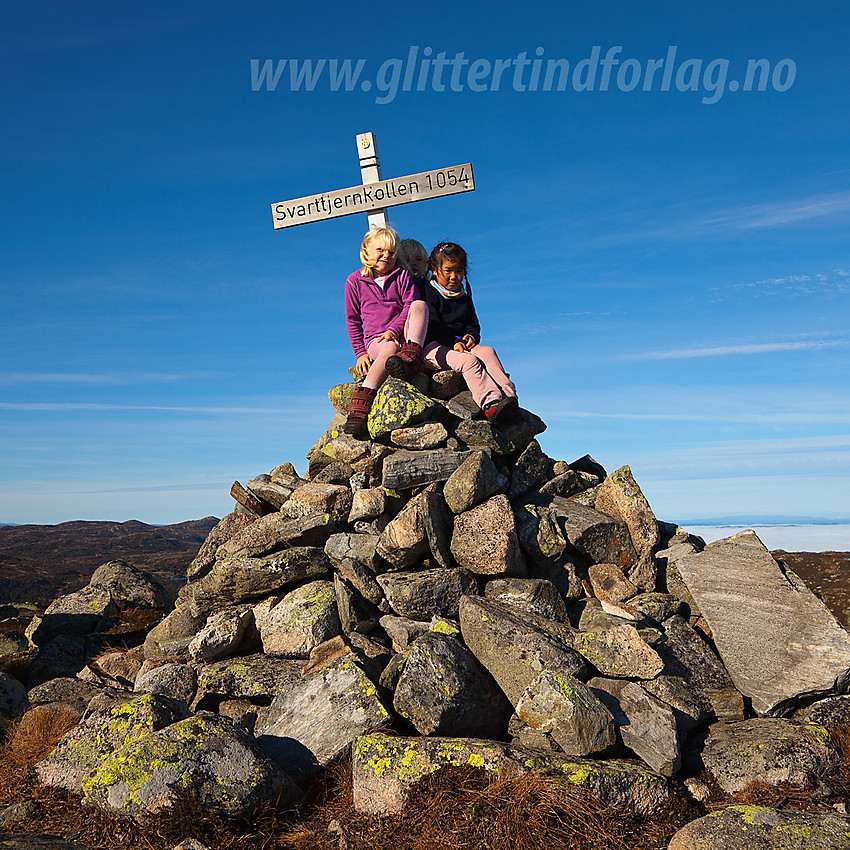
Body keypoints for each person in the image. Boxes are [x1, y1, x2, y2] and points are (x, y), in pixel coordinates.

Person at [343, 225, 429, 437]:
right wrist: (360, 353)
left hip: (404, 336)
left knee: (420, 305)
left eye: (391, 252)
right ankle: (364, 398)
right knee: (389, 347)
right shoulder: (354, 281)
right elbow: (353, 320)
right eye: (380, 250)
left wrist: (395, 329)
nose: (386, 256)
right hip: (377, 341)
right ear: (366, 250)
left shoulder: (401, 275)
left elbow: (409, 305)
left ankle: (412, 354)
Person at [422, 241, 518, 423]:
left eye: (459, 271)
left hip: (460, 344)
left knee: (488, 352)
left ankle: (509, 397)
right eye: (448, 270)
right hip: (435, 346)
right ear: (434, 270)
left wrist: (471, 336)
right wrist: (452, 341)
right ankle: (490, 404)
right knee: (470, 361)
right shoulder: (428, 292)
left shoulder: (463, 296)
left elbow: (473, 323)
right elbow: (432, 323)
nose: (454, 276)